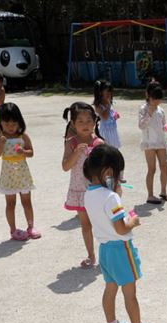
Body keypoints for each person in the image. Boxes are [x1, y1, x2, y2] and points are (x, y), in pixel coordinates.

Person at [83, 144, 155, 323]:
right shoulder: (111, 197)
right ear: (108, 172)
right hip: (121, 249)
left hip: (105, 250)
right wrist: (133, 221)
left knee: (110, 288)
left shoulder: (88, 193)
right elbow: (122, 229)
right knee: (130, 293)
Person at [62, 102, 104, 268]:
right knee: (86, 225)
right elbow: (65, 166)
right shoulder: (71, 143)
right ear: (73, 124)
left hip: (97, 191)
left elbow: (106, 168)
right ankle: (91, 255)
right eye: (80, 121)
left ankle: (106, 254)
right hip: (80, 191)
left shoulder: (99, 143)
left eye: (89, 121)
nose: (85, 125)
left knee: (101, 224)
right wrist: (76, 152)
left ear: (95, 122)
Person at [0, 102, 41, 240]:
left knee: (27, 202)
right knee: (10, 204)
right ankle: (13, 230)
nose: (10, 127)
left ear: (20, 122)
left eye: (14, 123)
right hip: (8, 176)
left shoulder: (23, 136)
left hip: (23, 174)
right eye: (6, 124)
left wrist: (24, 151)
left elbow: (31, 153)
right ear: (0, 123)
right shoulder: (0, 138)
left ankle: (31, 226)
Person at [139, 79, 167, 204]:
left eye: (159, 99)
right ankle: (150, 195)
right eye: (155, 98)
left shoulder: (160, 110)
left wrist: (166, 126)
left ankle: (163, 191)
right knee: (151, 169)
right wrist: (149, 114)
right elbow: (141, 125)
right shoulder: (143, 109)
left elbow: (163, 123)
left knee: (164, 166)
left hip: (161, 141)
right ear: (148, 96)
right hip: (149, 143)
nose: (157, 101)